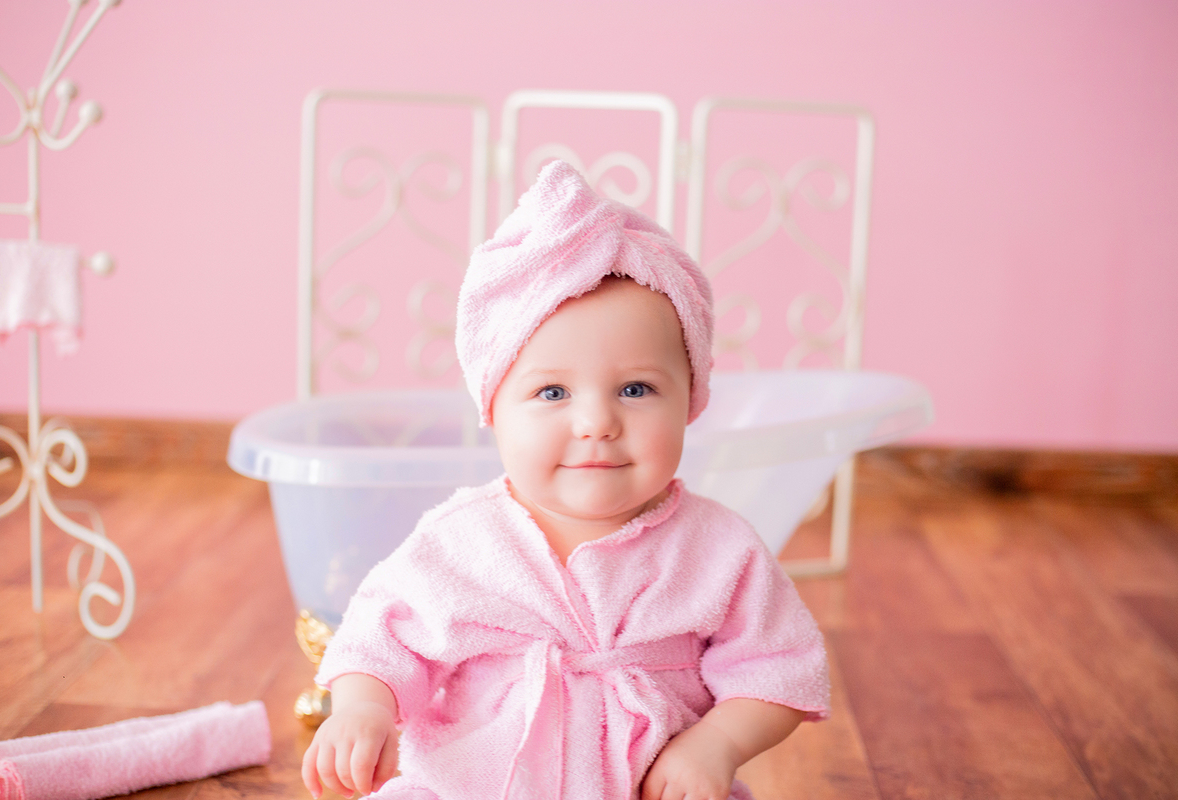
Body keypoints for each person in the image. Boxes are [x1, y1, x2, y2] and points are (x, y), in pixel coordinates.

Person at [301, 160, 829, 800]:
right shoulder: (460, 541)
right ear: (493, 410)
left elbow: (776, 670)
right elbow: (381, 643)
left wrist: (715, 745)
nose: (596, 422)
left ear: (692, 398)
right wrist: (365, 710)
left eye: (636, 389)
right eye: (552, 391)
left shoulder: (720, 549)